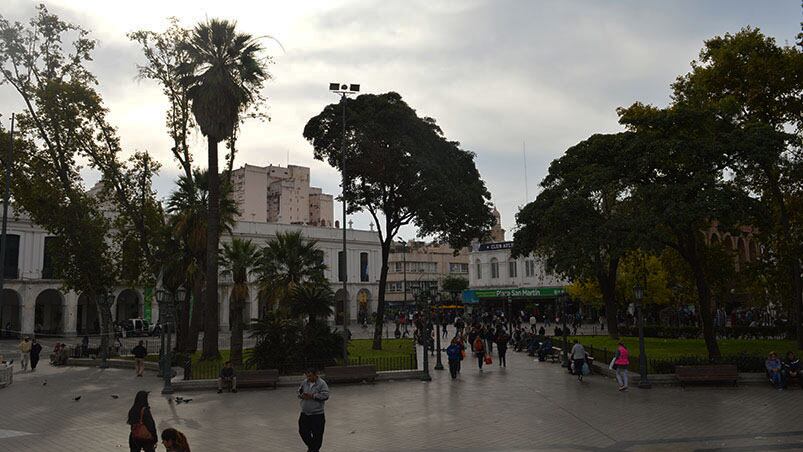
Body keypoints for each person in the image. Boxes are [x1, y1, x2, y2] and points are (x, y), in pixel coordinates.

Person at [298, 368, 329, 452]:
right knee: (303, 432)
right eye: (307, 376)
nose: (308, 378)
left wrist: (313, 396)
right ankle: (313, 448)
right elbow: (299, 391)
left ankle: (313, 450)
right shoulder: (304, 382)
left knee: (317, 435)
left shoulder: (322, 384)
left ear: (316, 375)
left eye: (310, 376)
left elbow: (325, 396)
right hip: (305, 413)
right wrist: (301, 395)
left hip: (317, 414)